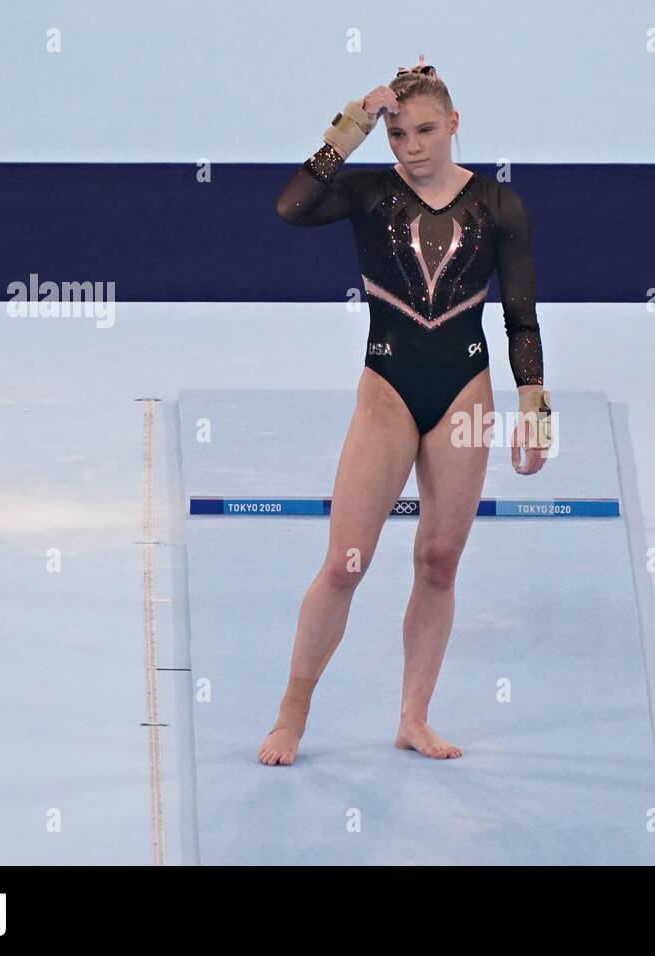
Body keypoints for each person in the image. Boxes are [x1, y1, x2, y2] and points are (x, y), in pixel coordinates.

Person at [258, 54, 551, 764]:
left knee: (441, 561)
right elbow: (292, 206)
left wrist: (534, 403)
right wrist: (354, 120)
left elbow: (520, 316)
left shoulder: (499, 206)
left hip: (464, 391)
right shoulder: (368, 195)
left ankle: (413, 717)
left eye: (424, 130)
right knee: (346, 563)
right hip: (387, 391)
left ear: (454, 125)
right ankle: (292, 716)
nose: (411, 147)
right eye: (397, 133)